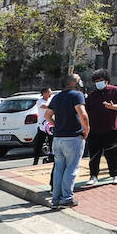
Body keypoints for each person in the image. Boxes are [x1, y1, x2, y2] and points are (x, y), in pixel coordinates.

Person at [45, 74, 89, 208]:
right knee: (71, 168)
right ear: (74, 83)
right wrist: (86, 129)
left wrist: (56, 125)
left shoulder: (56, 97)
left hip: (58, 137)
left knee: (59, 168)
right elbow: (82, 114)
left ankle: (56, 198)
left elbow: (47, 115)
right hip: (73, 137)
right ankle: (67, 197)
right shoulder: (77, 95)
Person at [83, 70, 117, 187]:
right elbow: (86, 111)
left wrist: (113, 107)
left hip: (111, 128)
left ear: (106, 80)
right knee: (94, 155)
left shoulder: (115, 91)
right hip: (94, 130)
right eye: (96, 81)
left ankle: (115, 175)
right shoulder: (92, 95)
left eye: (101, 80)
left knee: (111, 153)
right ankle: (93, 176)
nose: (99, 83)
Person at [31, 86, 54, 165]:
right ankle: (35, 160)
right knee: (39, 143)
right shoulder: (40, 101)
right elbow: (45, 107)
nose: (50, 93)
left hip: (50, 124)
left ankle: (52, 157)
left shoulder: (51, 100)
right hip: (42, 125)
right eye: (49, 92)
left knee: (52, 142)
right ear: (44, 93)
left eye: (50, 92)